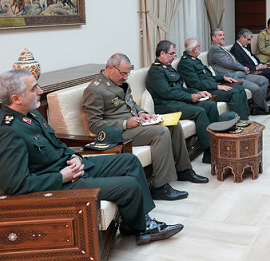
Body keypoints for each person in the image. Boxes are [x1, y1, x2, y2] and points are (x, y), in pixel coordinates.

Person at [0, 69, 182, 245]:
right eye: (34, 89)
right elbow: (15, 185)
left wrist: (75, 157)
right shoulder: (7, 131)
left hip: (70, 167)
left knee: (129, 160)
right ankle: (143, 228)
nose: (41, 91)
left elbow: (56, 144)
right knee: (129, 186)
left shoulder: (32, 114)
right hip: (59, 183)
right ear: (16, 98)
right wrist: (61, 176)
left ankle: (135, 223)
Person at [83, 53, 208, 202]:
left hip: (135, 125)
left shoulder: (119, 83)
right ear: (111, 68)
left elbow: (131, 104)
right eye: (123, 73)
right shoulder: (95, 89)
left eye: (128, 73)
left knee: (173, 125)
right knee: (160, 132)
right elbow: (94, 125)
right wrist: (125, 123)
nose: (126, 77)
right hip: (117, 133)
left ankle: (184, 170)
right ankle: (160, 187)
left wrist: (142, 113)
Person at [146, 40, 220, 164]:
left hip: (177, 102)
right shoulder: (155, 71)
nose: (174, 57)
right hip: (166, 106)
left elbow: (180, 89)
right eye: (172, 54)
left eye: (175, 54)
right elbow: (167, 93)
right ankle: (209, 153)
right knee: (199, 111)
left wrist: (197, 92)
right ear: (162, 53)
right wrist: (189, 97)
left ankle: (217, 143)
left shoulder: (168, 68)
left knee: (210, 105)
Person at [208, 28, 270, 116]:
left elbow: (233, 62)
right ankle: (265, 108)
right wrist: (243, 67)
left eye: (223, 35)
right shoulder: (214, 49)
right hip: (231, 78)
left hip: (240, 74)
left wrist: (243, 69)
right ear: (213, 38)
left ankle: (257, 107)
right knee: (256, 88)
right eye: (220, 35)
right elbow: (229, 63)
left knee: (263, 80)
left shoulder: (222, 48)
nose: (223, 37)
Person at [178, 38, 251, 120]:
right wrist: (217, 86)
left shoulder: (195, 60)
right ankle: (237, 121)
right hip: (205, 91)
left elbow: (207, 76)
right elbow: (196, 84)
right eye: (199, 46)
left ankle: (244, 118)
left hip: (211, 86)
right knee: (233, 92)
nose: (200, 48)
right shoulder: (186, 63)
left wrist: (222, 77)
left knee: (240, 88)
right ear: (194, 49)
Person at [230, 28, 270, 105]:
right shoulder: (235, 49)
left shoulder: (245, 46)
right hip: (252, 71)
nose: (249, 42)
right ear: (242, 37)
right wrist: (256, 68)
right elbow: (240, 64)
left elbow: (252, 57)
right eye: (248, 39)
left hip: (257, 67)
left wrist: (260, 64)